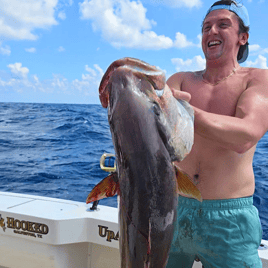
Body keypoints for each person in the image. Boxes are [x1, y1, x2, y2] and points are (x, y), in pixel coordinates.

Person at [166, 0, 268, 267]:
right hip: (174, 208)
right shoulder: (180, 80)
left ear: (243, 37)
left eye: (223, 25)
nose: (211, 31)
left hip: (229, 220)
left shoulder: (258, 79)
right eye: (206, 27)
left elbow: (246, 135)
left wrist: (186, 112)